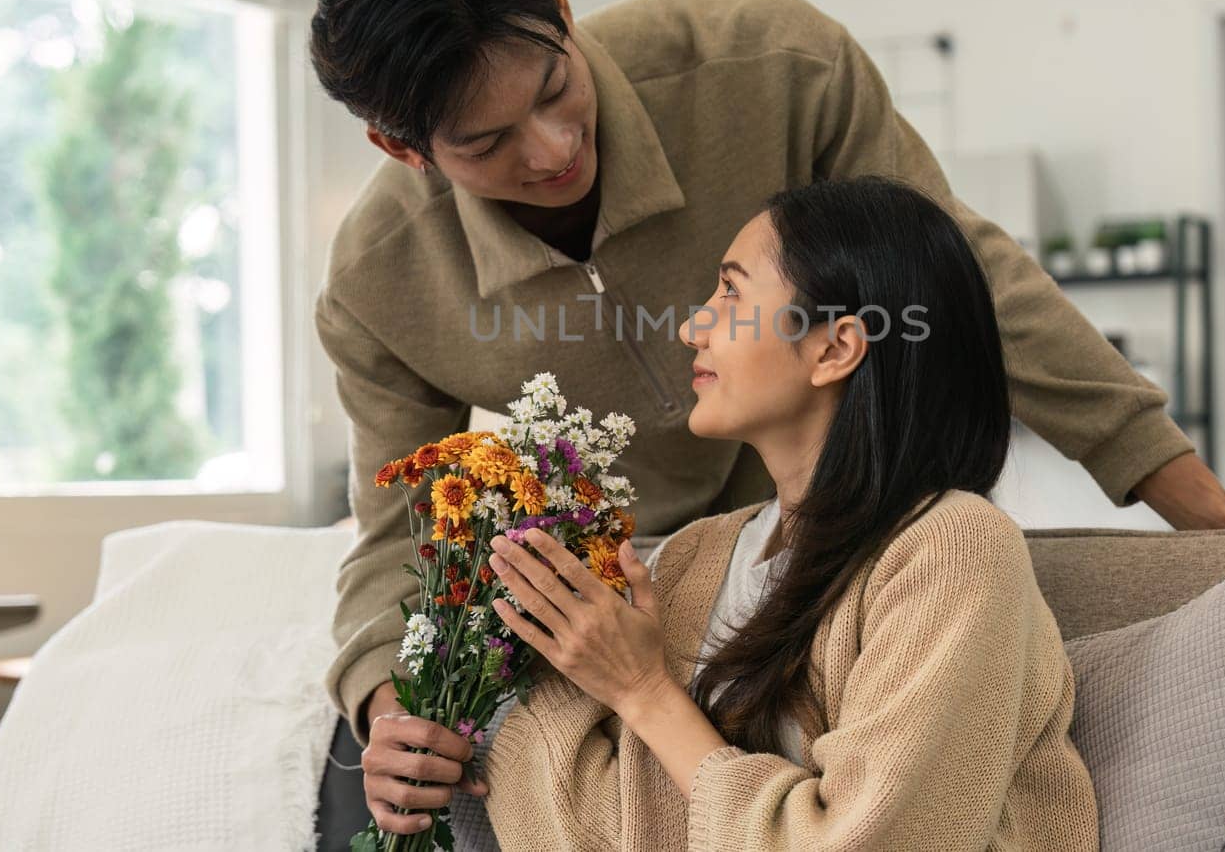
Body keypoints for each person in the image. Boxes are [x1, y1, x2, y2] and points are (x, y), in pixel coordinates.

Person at [305, 0, 1225, 845]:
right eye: (488, 142)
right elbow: (397, 525)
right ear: (403, 147)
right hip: (662, 593)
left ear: (563, 12)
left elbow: (959, 274)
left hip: (833, 539)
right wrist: (391, 701)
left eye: (557, 87)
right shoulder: (377, 281)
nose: (556, 147)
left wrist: (1203, 510)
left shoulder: (768, 66)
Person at [472, 176, 1101, 849]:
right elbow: (614, 817)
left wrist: (645, 691)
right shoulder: (690, 557)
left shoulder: (956, 547)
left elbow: (876, 839)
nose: (690, 326)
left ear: (834, 348)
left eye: (731, 292)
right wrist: (467, 731)